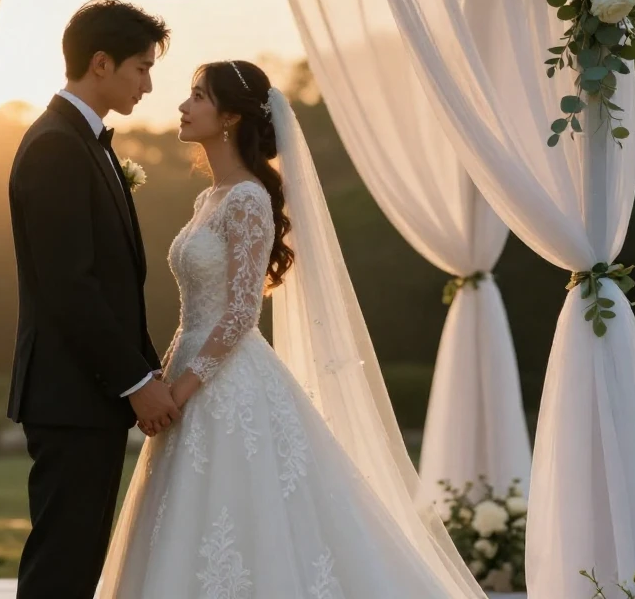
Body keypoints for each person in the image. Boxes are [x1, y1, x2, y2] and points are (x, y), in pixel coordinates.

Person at [97, 61, 488, 599]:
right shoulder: (206, 199)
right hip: (188, 369)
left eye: (198, 96)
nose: (184, 106)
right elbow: (197, 310)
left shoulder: (249, 199)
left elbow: (238, 313)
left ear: (230, 116)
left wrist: (180, 392)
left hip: (225, 384)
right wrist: (162, 378)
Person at [6, 0, 179, 599]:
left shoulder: (86, 141)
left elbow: (115, 285)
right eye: (141, 68)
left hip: (86, 393)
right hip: (69, 394)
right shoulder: (56, 145)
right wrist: (134, 381)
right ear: (100, 64)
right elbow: (68, 286)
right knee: (63, 563)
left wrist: (148, 366)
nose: (148, 85)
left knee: (77, 561)